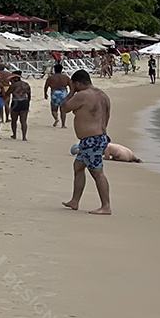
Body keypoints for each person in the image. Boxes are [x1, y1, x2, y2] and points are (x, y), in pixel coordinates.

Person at [61, 70, 113, 215]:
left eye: (74, 85)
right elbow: (106, 117)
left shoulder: (83, 95)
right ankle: (75, 201)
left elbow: (64, 108)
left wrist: (71, 92)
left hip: (92, 140)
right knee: (78, 167)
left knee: (97, 172)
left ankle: (106, 206)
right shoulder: (103, 95)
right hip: (97, 138)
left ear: (77, 83)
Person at [44, 63, 71, 128]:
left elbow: (46, 86)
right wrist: (70, 95)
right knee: (63, 110)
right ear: (61, 69)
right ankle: (63, 125)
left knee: (54, 109)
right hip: (63, 93)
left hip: (54, 92)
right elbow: (71, 86)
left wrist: (45, 94)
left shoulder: (51, 77)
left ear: (54, 69)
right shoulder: (66, 77)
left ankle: (56, 118)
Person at [8, 72, 32, 141]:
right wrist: (28, 103)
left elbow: (7, 93)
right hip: (24, 101)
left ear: (14, 79)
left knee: (14, 120)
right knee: (23, 121)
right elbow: (29, 95)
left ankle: (14, 135)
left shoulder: (13, 85)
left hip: (16, 102)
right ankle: (24, 137)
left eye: (11, 80)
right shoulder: (26, 84)